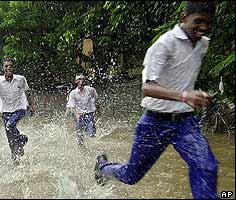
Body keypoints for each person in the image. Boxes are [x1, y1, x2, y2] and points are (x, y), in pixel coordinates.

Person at [94, 1, 219, 199]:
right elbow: (148, 88)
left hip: (185, 122)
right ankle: (103, 168)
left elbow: (181, 77)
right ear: (184, 18)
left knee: (207, 166)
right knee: (131, 175)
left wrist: (199, 96)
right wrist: (185, 96)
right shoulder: (164, 44)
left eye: (208, 23)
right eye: (199, 21)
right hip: (155, 122)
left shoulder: (203, 44)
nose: (203, 28)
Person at [0, 58, 36, 163]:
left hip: (20, 108)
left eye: (10, 66)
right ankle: (15, 160)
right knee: (11, 141)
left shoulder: (21, 79)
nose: (8, 68)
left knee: (10, 125)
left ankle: (23, 139)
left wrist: (32, 105)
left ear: (13, 68)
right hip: (5, 111)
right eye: (6, 66)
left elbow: (28, 92)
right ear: (3, 68)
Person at [66, 74, 98, 146]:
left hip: (89, 115)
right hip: (79, 116)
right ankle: (82, 150)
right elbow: (72, 106)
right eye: (79, 80)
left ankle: (92, 149)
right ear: (76, 82)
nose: (80, 82)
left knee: (91, 135)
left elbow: (96, 99)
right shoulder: (73, 93)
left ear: (84, 81)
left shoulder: (90, 90)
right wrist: (76, 115)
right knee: (80, 138)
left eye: (82, 80)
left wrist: (96, 110)